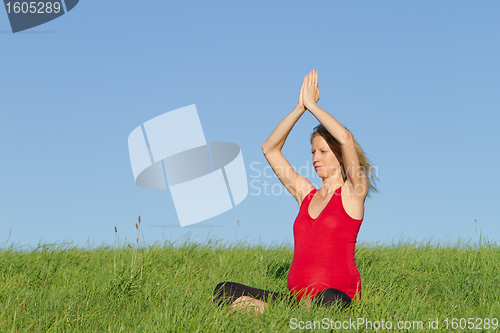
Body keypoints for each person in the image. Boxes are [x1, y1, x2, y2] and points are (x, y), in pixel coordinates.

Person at [213, 69, 378, 314]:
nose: (315, 158)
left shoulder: (354, 192)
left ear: (341, 156)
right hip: (297, 300)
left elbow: (345, 137)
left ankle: (266, 311)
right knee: (224, 289)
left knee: (331, 299)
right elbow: (269, 149)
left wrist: (312, 105)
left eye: (323, 151)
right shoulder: (306, 194)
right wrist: (299, 108)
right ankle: (282, 311)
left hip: (336, 297)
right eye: (312, 152)